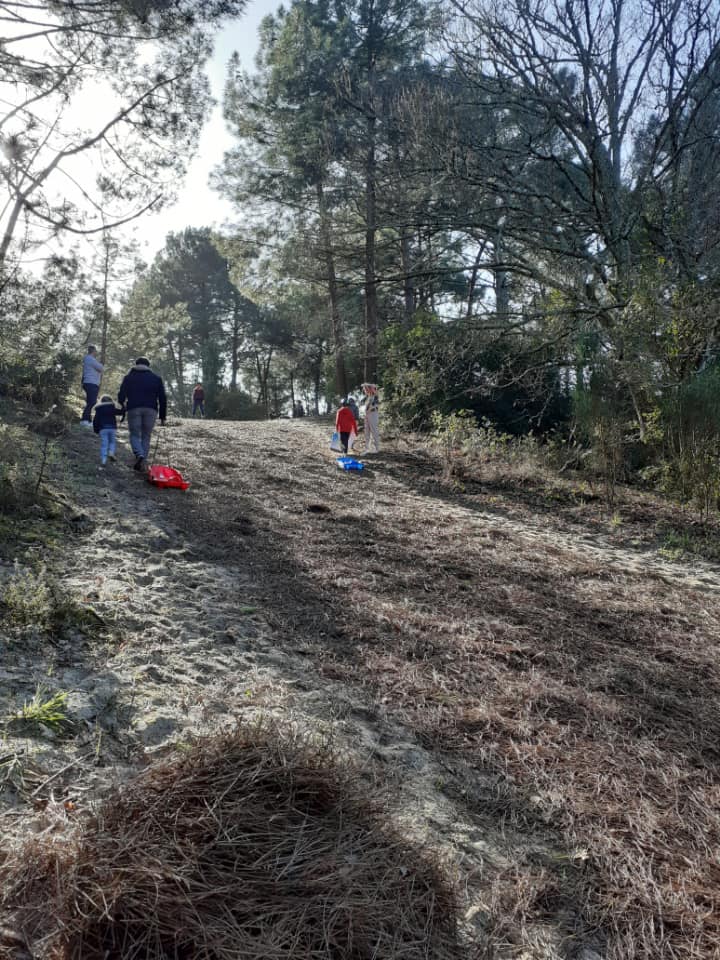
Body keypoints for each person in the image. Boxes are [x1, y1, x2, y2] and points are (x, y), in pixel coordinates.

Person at [118, 357, 167, 471]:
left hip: (134, 408)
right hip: (151, 410)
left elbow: (121, 395)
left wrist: (122, 404)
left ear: (136, 364)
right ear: (148, 366)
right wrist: (163, 416)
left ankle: (139, 455)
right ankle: (143, 460)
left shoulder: (128, 377)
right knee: (146, 435)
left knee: (134, 434)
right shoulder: (156, 378)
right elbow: (163, 398)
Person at [92, 395, 125, 467]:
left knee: (104, 444)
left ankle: (103, 460)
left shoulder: (99, 409)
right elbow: (121, 412)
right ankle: (111, 453)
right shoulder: (112, 408)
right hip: (112, 428)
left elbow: (95, 420)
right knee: (112, 442)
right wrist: (123, 406)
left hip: (103, 428)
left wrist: (96, 430)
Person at [80, 345, 104, 426]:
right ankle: (84, 420)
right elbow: (101, 368)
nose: (96, 352)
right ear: (93, 351)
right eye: (95, 351)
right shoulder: (90, 359)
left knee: (90, 402)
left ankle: (88, 420)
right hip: (91, 383)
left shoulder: (88, 359)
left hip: (89, 382)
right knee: (92, 402)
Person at [361, 383, 380, 453]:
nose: (365, 390)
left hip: (373, 414)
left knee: (374, 431)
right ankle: (367, 448)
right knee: (367, 432)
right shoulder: (367, 397)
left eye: (366, 389)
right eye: (364, 389)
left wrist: (370, 386)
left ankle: (377, 448)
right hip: (367, 415)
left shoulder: (375, 396)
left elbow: (375, 391)